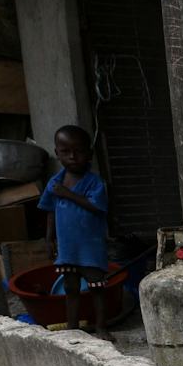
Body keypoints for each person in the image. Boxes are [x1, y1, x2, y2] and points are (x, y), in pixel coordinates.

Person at [38, 125, 110, 335]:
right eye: (66, 152)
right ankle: (72, 327)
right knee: (70, 288)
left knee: (97, 288)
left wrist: (67, 194)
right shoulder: (55, 183)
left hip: (90, 247)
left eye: (78, 151)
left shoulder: (94, 182)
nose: (73, 157)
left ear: (89, 153)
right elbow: (50, 211)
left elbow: (97, 206)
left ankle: (101, 327)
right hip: (68, 248)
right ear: (57, 153)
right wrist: (49, 239)